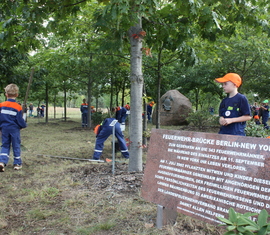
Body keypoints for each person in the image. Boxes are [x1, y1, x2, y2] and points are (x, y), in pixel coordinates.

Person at [0, 84, 27, 172]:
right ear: (17, 95)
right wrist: (23, 126)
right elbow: (19, 119)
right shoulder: (18, 107)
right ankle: (17, 163)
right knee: (16, 145)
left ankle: (2, 162)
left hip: (4, 129)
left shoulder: (1, 105)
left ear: (6, 94)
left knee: (5, 145)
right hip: (14, 129)